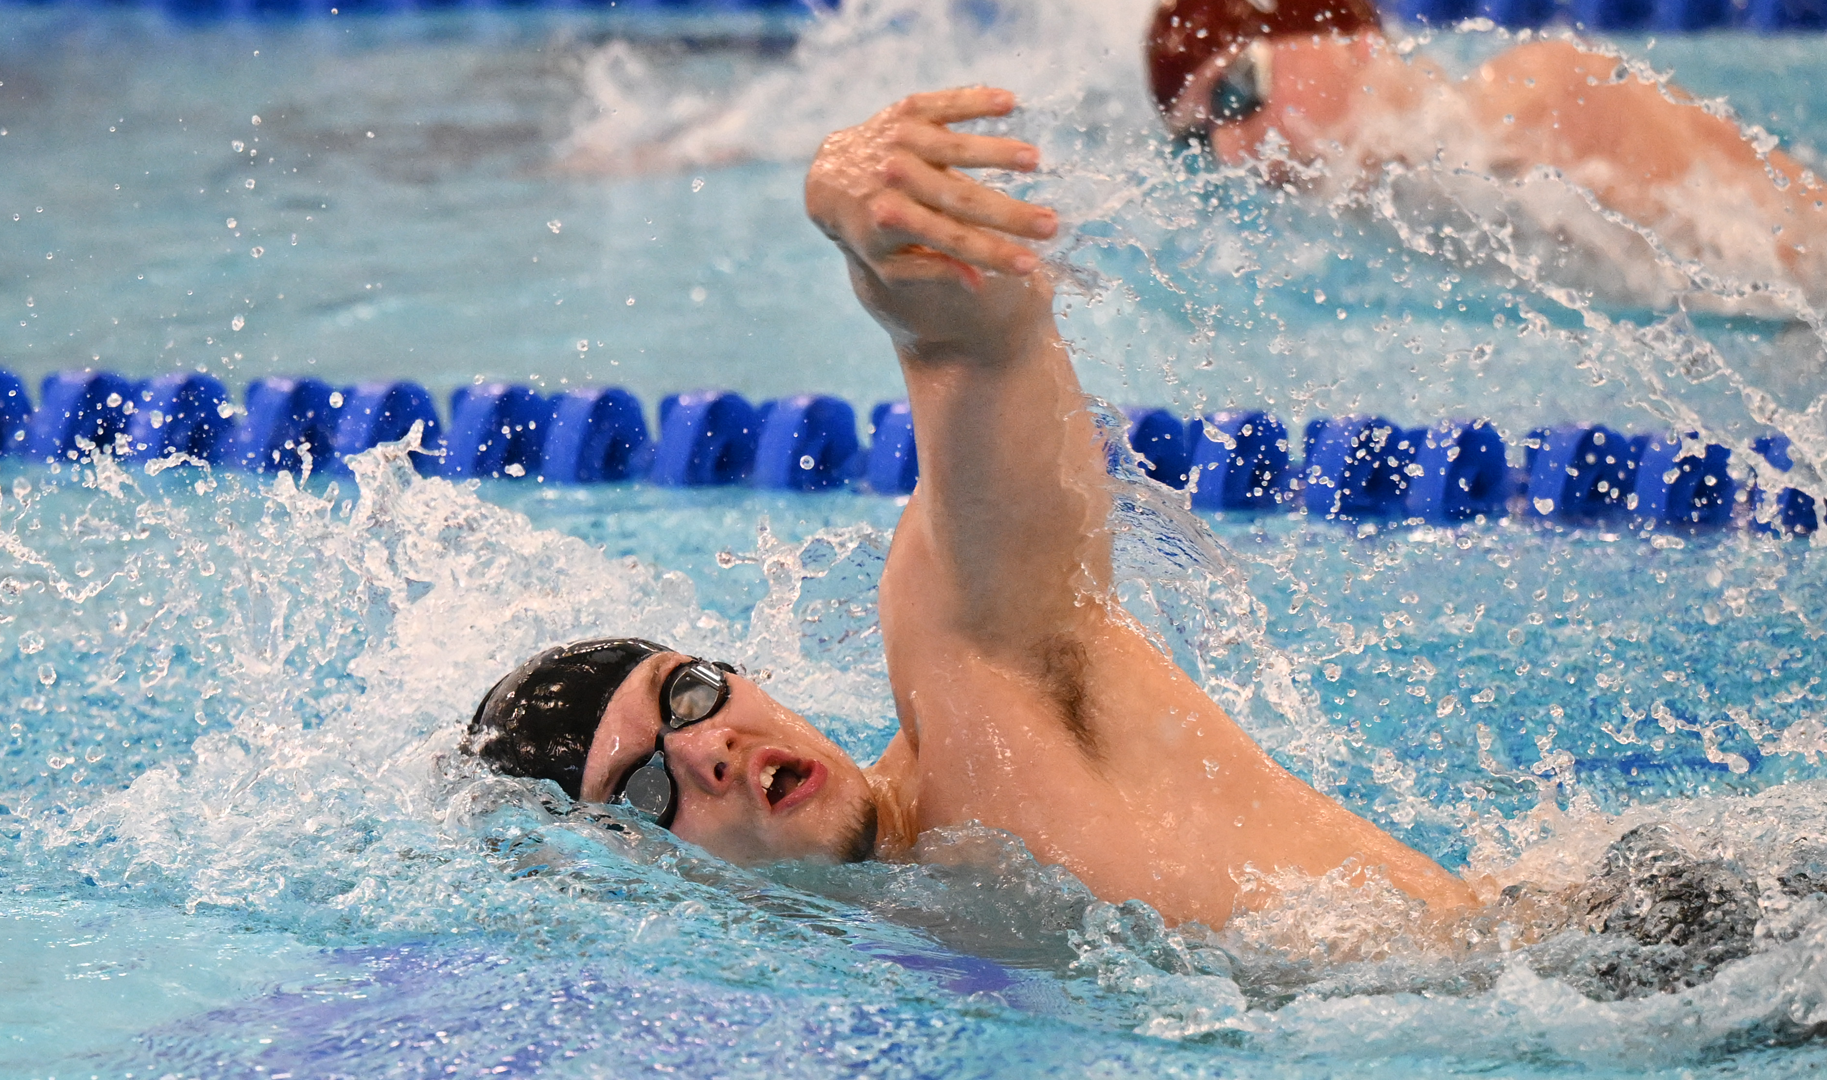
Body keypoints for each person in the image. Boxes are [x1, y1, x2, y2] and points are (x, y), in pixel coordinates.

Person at [465, 86, 1478, 930]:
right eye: (646, 792)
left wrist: (879, 243)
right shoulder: (901, 933)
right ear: (639, 881)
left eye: (686, 695)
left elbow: (979, 350)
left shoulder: (976, 688)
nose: (707, 748)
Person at [1148, 0, 1827, 304]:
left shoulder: (1541, 98)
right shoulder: (1402, 205)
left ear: (1344, 35)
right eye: (1197, 141)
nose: (1231, 151)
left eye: (1236, 91)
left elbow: (1788, 267)